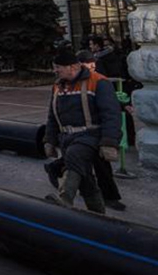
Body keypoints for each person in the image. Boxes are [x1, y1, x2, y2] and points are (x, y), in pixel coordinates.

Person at [43, 50, 126, 211]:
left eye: (58, 67)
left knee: (74, 156)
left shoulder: (99, 82)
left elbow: (111, 115)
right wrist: (49, 140)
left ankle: (64, 199)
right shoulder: (57, 86)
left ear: (73, 67)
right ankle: (98, 214)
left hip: (90, 136)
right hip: (66, 138)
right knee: (85, 179)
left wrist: (109, 142)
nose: (55, 70)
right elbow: (52, 116)